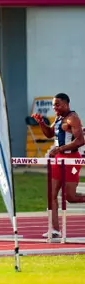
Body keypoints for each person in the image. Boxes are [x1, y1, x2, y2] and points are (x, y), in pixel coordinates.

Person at [31, 93, 85, 238]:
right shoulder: (59, 118)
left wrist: (60, 149)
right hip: (59, 159)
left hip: (71, 159)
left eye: (57, 104)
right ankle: (55, 230)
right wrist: (41, 122)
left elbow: (80, 141)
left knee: (70, 197)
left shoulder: (72, 118)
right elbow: (49, 134)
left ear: (67, 104)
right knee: (52, 194)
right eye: (53, 104)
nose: (54, 107)